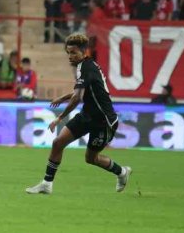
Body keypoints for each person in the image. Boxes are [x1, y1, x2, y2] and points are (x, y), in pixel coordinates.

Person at [26, 33, 131, 195]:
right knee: (58, 143)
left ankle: (122, 172)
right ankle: (47, 184)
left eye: (74, 52)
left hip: (103, 121)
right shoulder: (85, 66)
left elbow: (77, 98)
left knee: (91, 158)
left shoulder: (86, 68)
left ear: (84, 52)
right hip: (87, 115)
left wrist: (59, 118)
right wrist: (63, 96)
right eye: (68, 53)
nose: (70, 56)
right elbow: (82, 91)